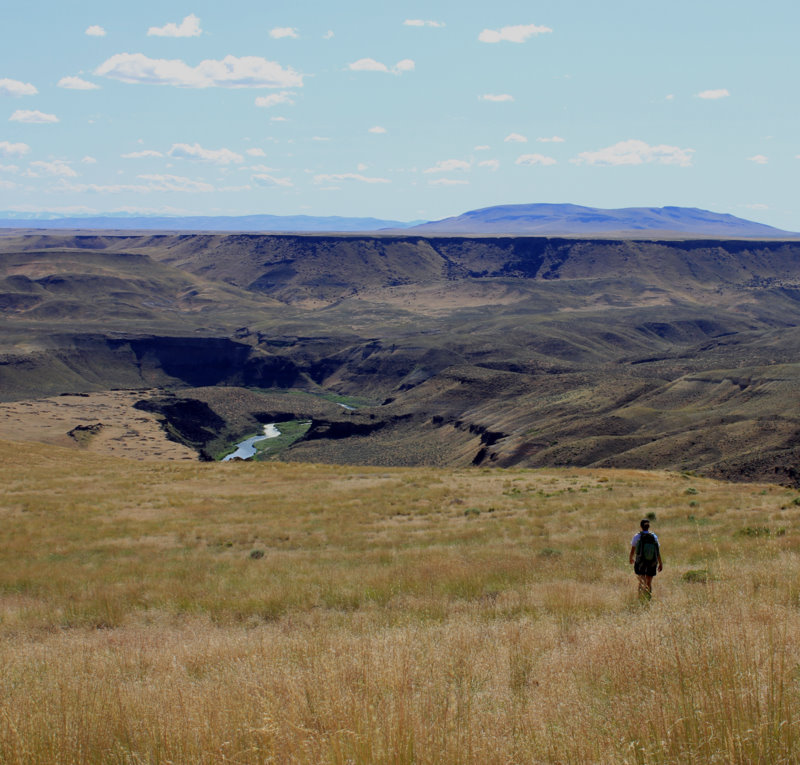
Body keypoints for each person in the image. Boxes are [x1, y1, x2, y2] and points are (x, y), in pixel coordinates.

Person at [629, 518, 663, 600]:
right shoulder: (654, 536)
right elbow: (657, 552)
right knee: (649, 582)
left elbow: (633, 550)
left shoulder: (637, 536)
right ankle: (648, 598)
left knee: (641, 581)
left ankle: (640, 598)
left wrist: (631, 558)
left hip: (640, 562)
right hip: (652, 562)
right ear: (649, 527)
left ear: (641, 526)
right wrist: (660, 563)